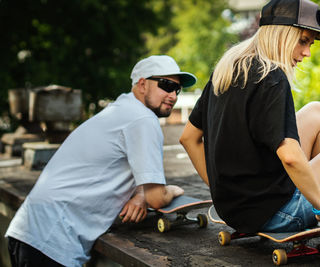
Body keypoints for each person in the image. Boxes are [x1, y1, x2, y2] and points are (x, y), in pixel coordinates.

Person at [180, 0, 320, 240]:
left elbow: (188, 138)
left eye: (310, 44)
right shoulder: (271, 75)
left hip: (234, 210)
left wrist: (220, 192)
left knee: (318, 112)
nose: (306, 53)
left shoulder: (227, 68)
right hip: (279, 213)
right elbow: (290, 156)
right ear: (281, 34)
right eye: (303, 41)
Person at [5, 55, 197, 267]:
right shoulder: (142, 119)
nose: (172, 95)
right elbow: (157, 199)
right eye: (166, 85)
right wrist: (172, 190)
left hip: (30, 233)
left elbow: (129, 177)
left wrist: (141, 194)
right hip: (51, 244)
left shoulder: (120, 110)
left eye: (177, 89)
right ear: (142, 84)